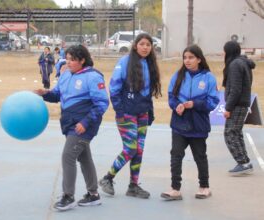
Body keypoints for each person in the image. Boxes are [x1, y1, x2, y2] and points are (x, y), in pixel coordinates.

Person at [35, 45, 109, 211]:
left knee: (68, 156)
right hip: (69, 122)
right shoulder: (65, 75)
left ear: (82, 60)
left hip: (83, 125)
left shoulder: (93, 77)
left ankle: (68, 196)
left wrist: (85, 122)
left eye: (72, 59)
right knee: (84, 158)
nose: (68, 62)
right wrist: (44, 93)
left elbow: (102, 103)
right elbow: (57, 95)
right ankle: (93, 194)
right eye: (67, 59)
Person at [98, 33, 161, 199]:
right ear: (135, 45)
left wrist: (150, 111)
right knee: (130, 148)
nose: (145, 47)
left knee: (139, 150)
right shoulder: (125, 62)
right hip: (127, 112)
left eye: (149, 44)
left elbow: (148, 92)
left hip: (143, 113)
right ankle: (107, 178)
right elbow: (114, 88)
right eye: (142, 44)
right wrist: (120, 111)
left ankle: (133, 186)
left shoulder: (150, 63)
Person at [161, 45, 219, 201]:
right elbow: (171, 97)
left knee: (200, 156)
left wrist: (195, 104)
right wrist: (176, 106)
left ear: (199, 59)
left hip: (198, 125)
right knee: (176, 155)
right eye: (185, 57)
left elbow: (213, 101)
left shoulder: (209, 78)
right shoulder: (178, 76)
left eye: (191, 57)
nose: (187, 60)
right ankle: (175, 189)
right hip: (179, 124)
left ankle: (204, 187)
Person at [222, 41, 255, 176]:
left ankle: (242, 162)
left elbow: (236, 89)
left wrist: (228, 107)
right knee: (236, 133)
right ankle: (245, 162)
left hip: (237, 104)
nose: (223, 53)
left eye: (224, 51)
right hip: (242, 103)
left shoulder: (235, 64)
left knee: (230, 133)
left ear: (229, 51)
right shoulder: (242, 63)